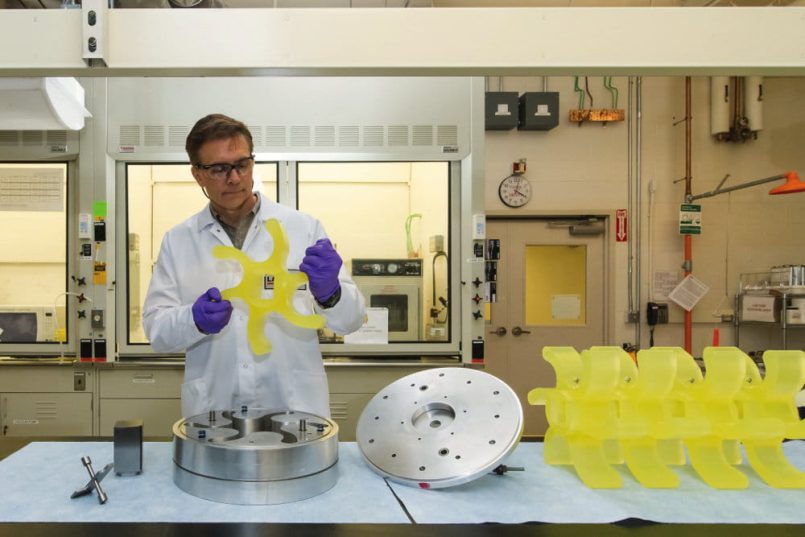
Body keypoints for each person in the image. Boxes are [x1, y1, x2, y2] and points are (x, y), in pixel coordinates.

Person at [143, 113, 366, 419]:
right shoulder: (179, 240)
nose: (234, 177)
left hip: (294, 407)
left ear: (252, 163)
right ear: (197, 174)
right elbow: (157, 331)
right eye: (219, 168)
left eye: (241, 164)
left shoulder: (303, 228)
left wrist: (332, 294)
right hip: (215, 412)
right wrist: (192, 320)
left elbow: (350, 321)